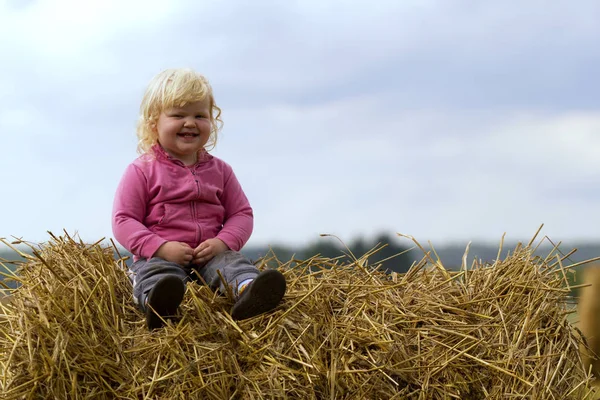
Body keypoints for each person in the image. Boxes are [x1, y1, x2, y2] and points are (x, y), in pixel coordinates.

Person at [112, 68, 286, 330]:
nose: (190, 123)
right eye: (178, 115)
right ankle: (157, 303)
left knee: (234, 265)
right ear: (153, 124)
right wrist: (159, 247)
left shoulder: (221, 171)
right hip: (161, 257)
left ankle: (249, 291)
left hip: (210, 256)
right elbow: (124, 220)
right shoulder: (142, 170)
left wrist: (222, 242)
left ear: (211, 122)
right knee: (155, 275)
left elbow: (241, 214)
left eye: (199, 115)